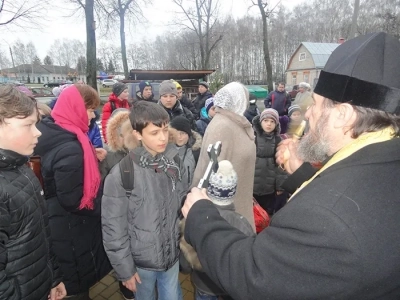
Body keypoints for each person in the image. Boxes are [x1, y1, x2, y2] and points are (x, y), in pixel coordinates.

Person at [181, 32, 400, 299]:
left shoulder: (324, 218)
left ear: (343, 115)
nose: (308, 113)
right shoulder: (384, 158)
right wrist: (302, 173)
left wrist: (200, 217)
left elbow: (254, 277)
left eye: (316, 105)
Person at [102, 101, 185, 300]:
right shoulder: (122, 173)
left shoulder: (173, 162)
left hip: (171, 256)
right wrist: (125, 270)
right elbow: (113, 227)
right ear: (138, 134)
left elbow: (179, 206)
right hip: (141, 264)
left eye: (165, 130)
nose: (163, 138)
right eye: (154, 133)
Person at [35, 84, 112, 299]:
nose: (93, 115)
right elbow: (74, 200)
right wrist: (106, 204)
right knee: (76, 287)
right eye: (89, 109)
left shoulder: (52, 129)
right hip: (70, 229)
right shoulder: (71, 146)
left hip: (51, 219)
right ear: (76, 107)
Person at [0, 85, 66, 300]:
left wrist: (52, 278)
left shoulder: (19, 166)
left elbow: (40, 235)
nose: (38, 132)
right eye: (28, 125)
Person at [180, 161, 254, 300]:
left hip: (204, 285)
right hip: (229, 287)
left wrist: (186, 268)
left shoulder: (195, 219)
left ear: (210, 190)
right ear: (232, 192)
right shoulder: (242, 223)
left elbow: (185, 259)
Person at [192, 82, 256, 230]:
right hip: (226, 211)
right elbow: (209, 169)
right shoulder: (222, 126)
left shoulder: (236, 123)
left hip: (240, 197)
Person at [252, 108, 287, 216]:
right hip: (252, 187)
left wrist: (280, 186)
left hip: (269, 188)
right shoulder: (252, 138)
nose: (269, 124)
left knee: (267, 215)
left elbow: (281, 166)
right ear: (260, 121)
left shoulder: (278, 140)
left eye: (272, 121)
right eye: (266, 121)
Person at [99, 108, 139, 181]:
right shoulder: (107, 155)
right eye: (120, 134)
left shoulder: (141, 151)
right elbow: (102, 183)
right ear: (114, 134)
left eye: (129, 131)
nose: (125, 137)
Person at [169, 116, 202, 191]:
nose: (179, 137)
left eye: (183, 133)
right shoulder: (165, 150)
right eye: (176, 133)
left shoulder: (196, 152)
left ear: (188, 134)